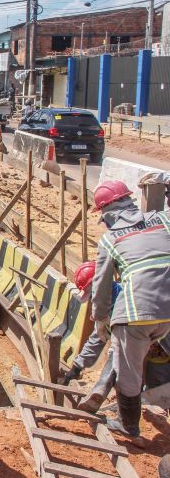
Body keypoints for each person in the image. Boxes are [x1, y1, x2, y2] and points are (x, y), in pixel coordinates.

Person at [90, 179, 170, 437]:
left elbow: (101, 286)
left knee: (129, 372)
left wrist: (100, 319)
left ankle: (129, 427)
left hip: (135, 314)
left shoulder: (110, 239)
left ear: (108, 213)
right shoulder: (163, 221)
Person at [59, 261, 122, 386]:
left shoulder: (123, 301)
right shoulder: (103, 307)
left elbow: (123, 346)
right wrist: (76, 368)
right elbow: (97, 337)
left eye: (92, 294)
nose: (92, 299)